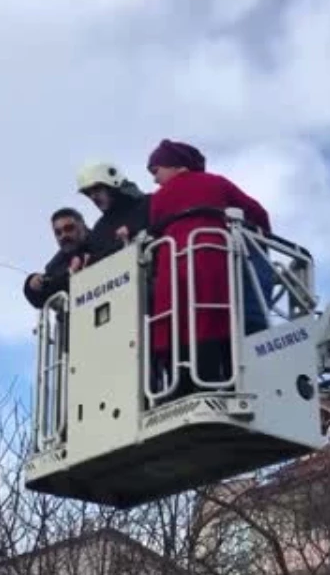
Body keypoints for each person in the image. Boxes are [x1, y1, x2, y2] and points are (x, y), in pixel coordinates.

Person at [144, 138, 272, 401]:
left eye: (156, 171)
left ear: (173, 164)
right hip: (213, 257)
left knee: (172, 324)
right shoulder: (217, 182)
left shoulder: (157, 200)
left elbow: (153, 231)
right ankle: (219, 383)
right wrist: (257, 243)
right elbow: (258, 214)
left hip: (171, 265)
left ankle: (177, 388)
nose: (155, 180)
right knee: (213, 321)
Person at [70, 162, 151, 273]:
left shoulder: (148, 204)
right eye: (88, 193)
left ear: (112, 186)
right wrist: (78, 257)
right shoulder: (99, 228)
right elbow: (85, 250)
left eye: (97, 189)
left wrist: (133, 231)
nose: (93, 197)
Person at [23, 207, 88, 309]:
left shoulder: (102, 240)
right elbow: (42, 298)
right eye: (58, 232)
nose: (64, 236)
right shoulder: (55, 265)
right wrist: (31, 284)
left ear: (82, 226)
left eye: (69, 228)